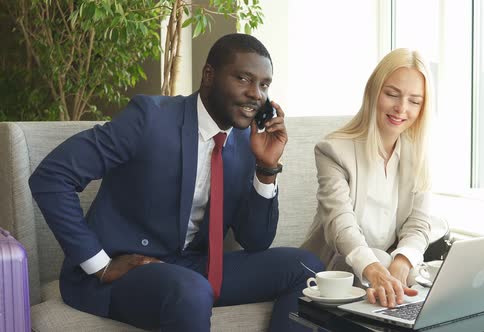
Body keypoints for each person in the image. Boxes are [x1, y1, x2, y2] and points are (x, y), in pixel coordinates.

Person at [29, 33, 323, 331]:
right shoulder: (150, 119)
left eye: (264, 85)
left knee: (307, 269)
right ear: (209, 75)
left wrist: (266, 166)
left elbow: (255, 240)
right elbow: (52, 177)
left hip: (195, 267)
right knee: (191, 290)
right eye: (243, 78)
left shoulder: (248, 140)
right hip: (127, 270)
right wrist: (100, 265)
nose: (256, 94)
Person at [301, 48, 434, 309]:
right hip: (334, 271)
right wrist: (375, 269)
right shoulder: (334, 150)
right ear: (373, 92)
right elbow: (341, 226)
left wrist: (402, 261)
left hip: (384, 268)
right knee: (381, 263)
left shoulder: (418, 153)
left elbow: (419, 224)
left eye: (414, 101)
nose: (401, 108)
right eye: (392, 94)